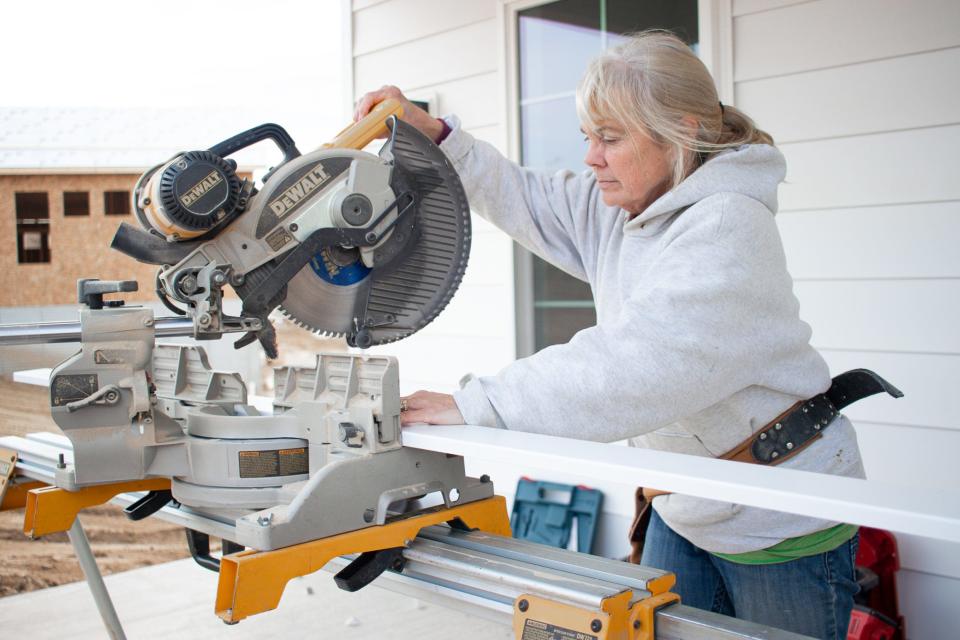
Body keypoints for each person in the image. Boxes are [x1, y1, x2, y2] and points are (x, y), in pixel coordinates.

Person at [355, 30, 863, 639]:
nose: (592, 157)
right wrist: (436, 137)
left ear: (684, 131)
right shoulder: (628, 209)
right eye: (587, 137)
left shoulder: (728, 226)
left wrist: (477, 405)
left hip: (779, 519)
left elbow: (637, 365)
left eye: (612, 139)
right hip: (685, 504)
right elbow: (529, 198)